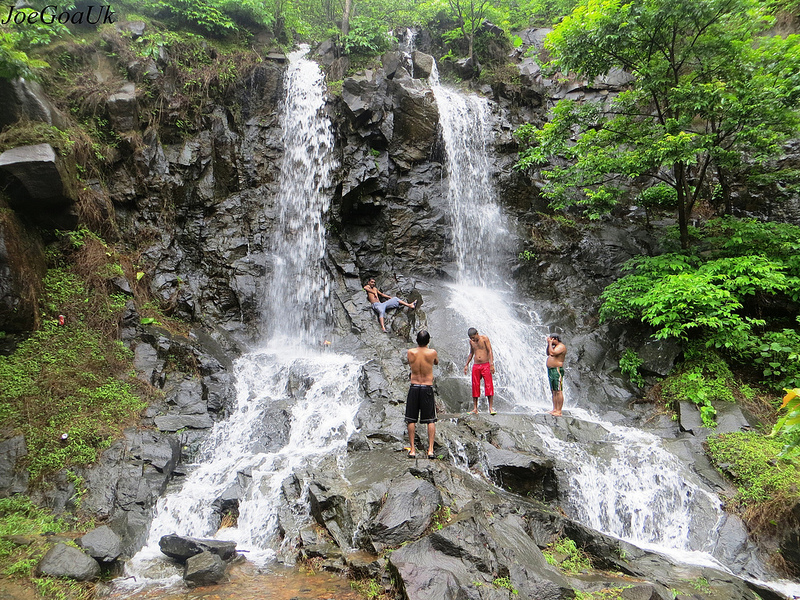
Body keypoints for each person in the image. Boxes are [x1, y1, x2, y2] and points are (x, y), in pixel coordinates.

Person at [406, 329, 438, 459]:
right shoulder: (432, 352)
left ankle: (412, 449)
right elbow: (436, 362)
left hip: (414, 387)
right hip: (427, 387)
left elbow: (410, 363)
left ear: (416, 340)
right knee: (430, 419)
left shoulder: (410, 352)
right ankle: (430, 450)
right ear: (428, 341)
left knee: (411, 418)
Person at [463, 327, 495, 415]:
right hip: (476, 365)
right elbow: (471, 353)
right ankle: (475, 408)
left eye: (474, 337)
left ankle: (491, 408)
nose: (473, 340)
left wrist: (491, 364)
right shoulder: (471, 342)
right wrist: (466, 365)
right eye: (471, 338)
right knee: (475, 385)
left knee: (488, 385)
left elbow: (490, 351)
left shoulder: (484, 338)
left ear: (477, 334)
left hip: (485, 365)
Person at [546, 334, 567, 416]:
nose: (550, 341)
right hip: (551, 370)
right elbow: (548, 353)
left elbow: (552, 353)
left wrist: (550, 343)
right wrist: (549, 344)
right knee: (554, 391)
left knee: (558, 390)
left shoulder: (561, 346)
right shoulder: (554, 346)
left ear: (556, 339)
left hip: (557, 370)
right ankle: (554, 409)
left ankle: (559, 410)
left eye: (552, 339)